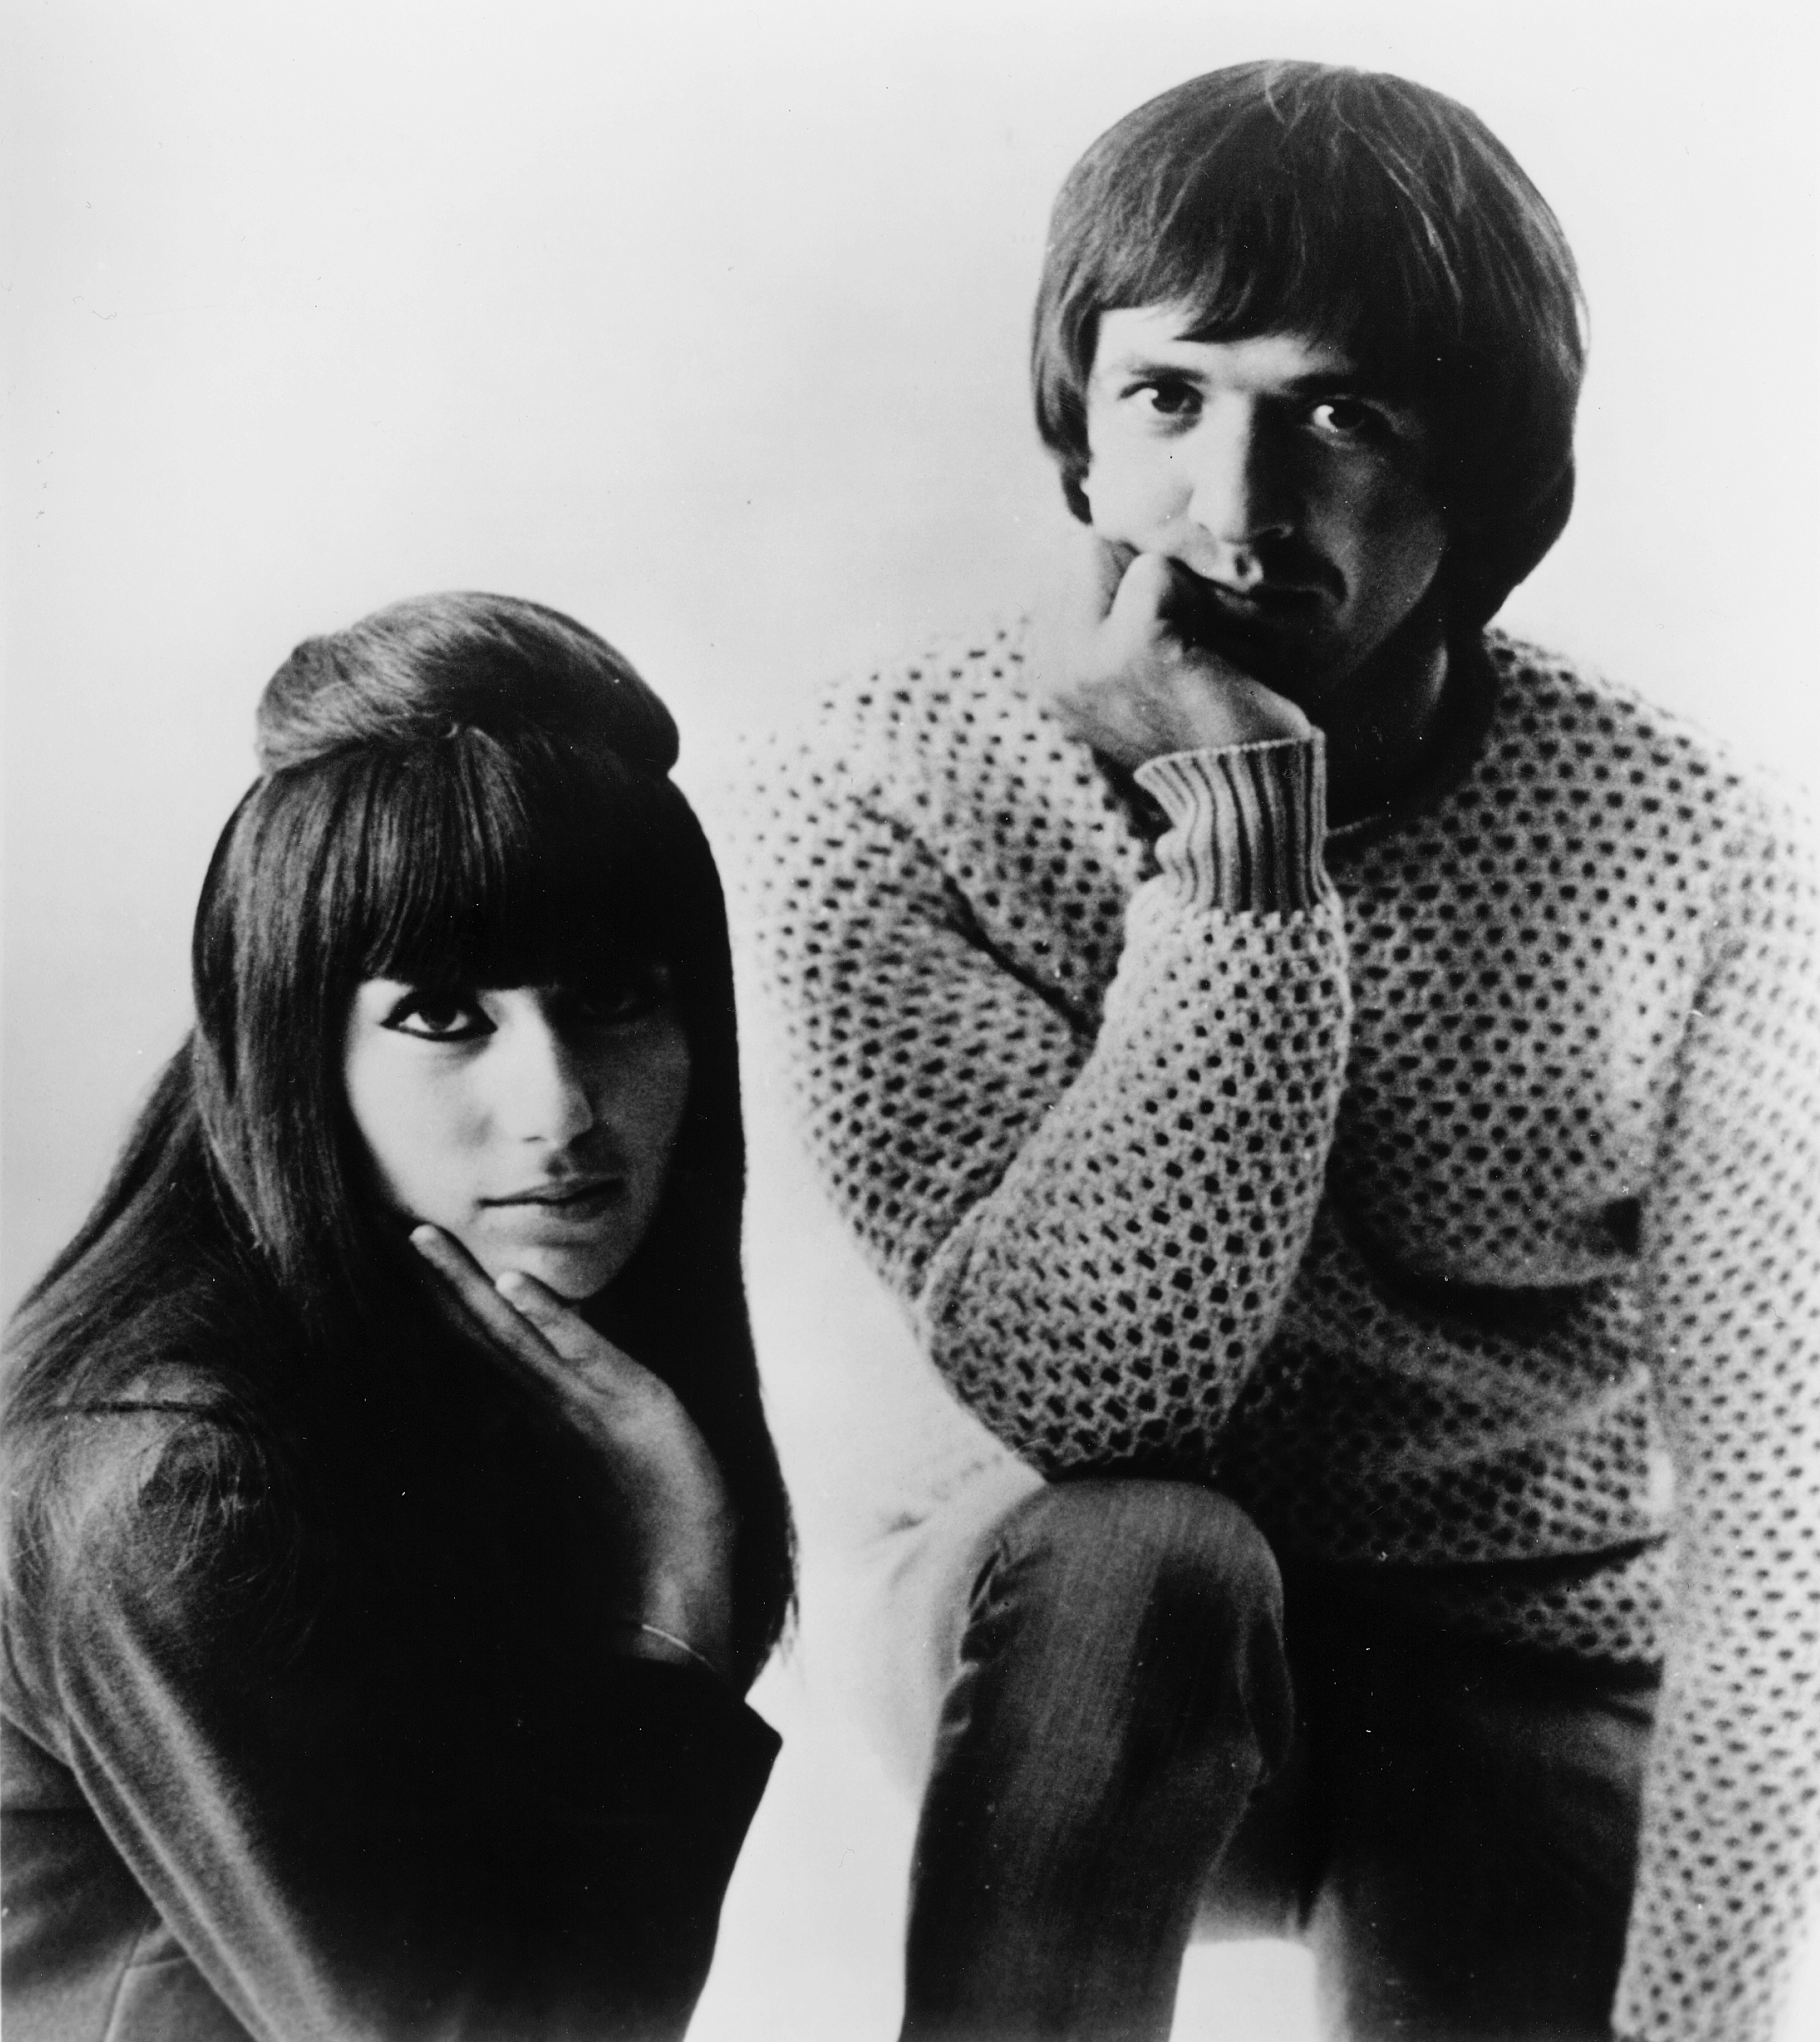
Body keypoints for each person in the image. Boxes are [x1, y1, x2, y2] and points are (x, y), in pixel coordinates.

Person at [744, 61, 1820, 2042]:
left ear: (1485, 470)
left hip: (1515, 1664)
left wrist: (1702, 2012)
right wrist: (1244, 841)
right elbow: (1098, 1400)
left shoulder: (1700, 850)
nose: (1235, 511)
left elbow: (1785, 1513)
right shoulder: (878, 788)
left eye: (1343, 415)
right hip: (1042, 1621)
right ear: (1079, 429)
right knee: (1143, 1561)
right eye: (1169, 396)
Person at [1, 592, 794, 2041]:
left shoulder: (498, 1378)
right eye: (442, 1014)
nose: (561, 1108)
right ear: (296, 1048)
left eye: (616, 998)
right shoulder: (176, 1488)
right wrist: (676, 1599)